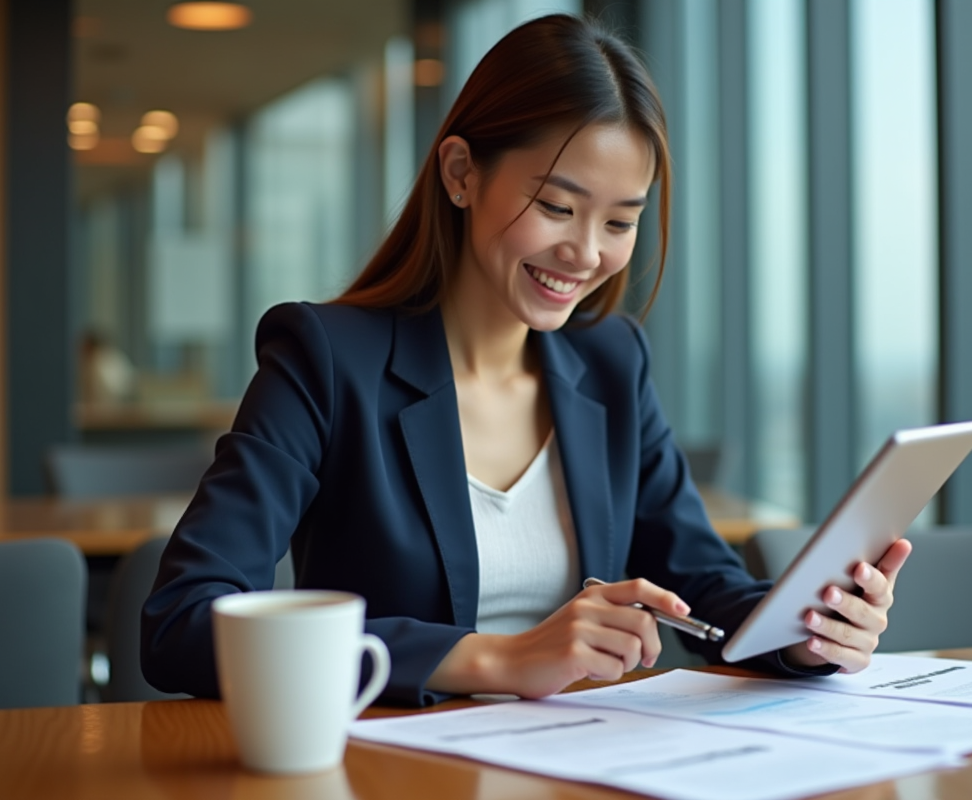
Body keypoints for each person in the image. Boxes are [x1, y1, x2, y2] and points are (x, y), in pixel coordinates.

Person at [141, 14, 912, 708]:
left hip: (586, 767)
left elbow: (701, 584)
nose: (585, 253)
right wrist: (496, 658)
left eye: (619, 221)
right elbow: (184, 620)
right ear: (460, 173)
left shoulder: (611, 361)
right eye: (555, 206)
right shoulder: (326, 359)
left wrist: (805, 634)